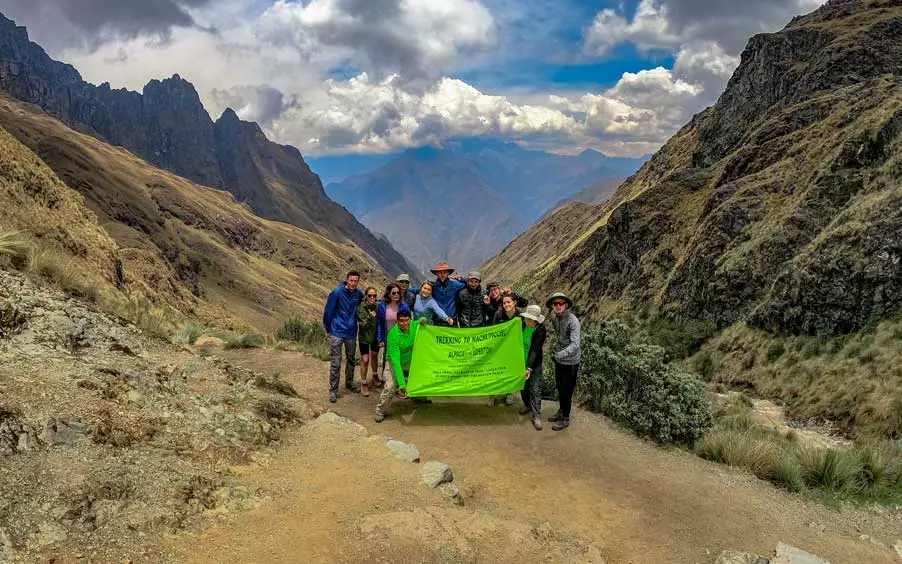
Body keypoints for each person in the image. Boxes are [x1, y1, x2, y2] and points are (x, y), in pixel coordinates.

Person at [322, 271, 364, 403]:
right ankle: (333, 390)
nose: (353, 283)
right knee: (336, 362)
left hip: (351, 332)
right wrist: (328, 327)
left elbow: (368, 301)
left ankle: (349, 382)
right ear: (347, 280)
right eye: (351, 281)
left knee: (351, 359)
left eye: (355, 281)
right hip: (337, 331)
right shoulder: (337, 293)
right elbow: (328, 311)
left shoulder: (358, 294)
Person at [375, 309, 421, 422]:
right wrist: (402, 384)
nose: (405, 324)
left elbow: (420, 321)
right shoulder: (393, 335)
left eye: (407, 320)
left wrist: (423, 320)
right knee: (391, 385)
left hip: (409, 362)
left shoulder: (414, 326)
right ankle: (380, 410)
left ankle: (420, 396)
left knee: (422, 373)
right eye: (402, 321)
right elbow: (396, 362)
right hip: (394, 363)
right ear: (397, 321)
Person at [546, 292, 581, 431]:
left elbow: (575, 344)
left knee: (566, 390)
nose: (558, 306)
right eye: (555, 304)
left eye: (561, 303)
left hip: (570, 361)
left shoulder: (573, 321)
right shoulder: (556, 318)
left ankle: (565, 418)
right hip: (560, 359)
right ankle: (561, 411)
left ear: (566, 305)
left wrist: (560, 354)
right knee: (560, 387)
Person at [488, 294, 522, 406]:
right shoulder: (499, 314)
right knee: (495, 370)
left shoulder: (520, 314)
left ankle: (509, 393)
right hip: (501, 347)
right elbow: (494, 329)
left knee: (510, 370)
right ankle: (492, 395)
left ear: (514, 303)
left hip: (514, 348)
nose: (506, 305)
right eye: (504, 303)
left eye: (509, 302)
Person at [519, 305, 547, 430]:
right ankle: (527, 405)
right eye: (526, 318)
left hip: (534, 364)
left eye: (530, 319)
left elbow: (535, 350)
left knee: (535, 388)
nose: (527, 320)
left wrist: (529, 368)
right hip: (520, 362)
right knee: (523, 386)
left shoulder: (540, 330)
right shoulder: (522, 325)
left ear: (536, 320)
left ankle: (536, 415)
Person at [377, 283, 409, 379]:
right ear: (389, 294)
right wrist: (379, 338)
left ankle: (401, 382)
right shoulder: (383, 306)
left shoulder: (404, 306)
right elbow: (380, 324)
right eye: (394, 293)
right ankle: (387, 380)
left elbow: (408, 322)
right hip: (388, 338)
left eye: (398, 293)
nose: (396, 295)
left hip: (401, 338)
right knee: (387, 359)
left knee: (401, 360)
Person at [356, 286, 379, 397]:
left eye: (374, 296)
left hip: (374, 337)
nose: (372, 297)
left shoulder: (378, 307)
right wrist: (370, 317)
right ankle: (363, 382)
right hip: (364, 337)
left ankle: (374, 376)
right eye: (370, 295)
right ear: (366, 296)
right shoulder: (361, 307)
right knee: (365, 359)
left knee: (374, 356)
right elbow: (362, 325)